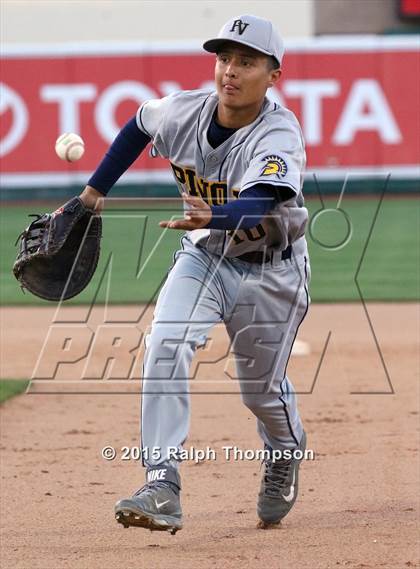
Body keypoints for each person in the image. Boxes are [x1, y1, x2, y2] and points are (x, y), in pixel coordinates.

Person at [80, 14, 310, 534]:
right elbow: (138, 124)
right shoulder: (183, 110)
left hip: (271, 273)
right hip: (204, 255)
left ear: (273, 74)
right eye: (224, 58)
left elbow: (259, 203)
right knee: (164, 343)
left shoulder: (279, 130)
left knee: (260, 393)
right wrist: (93, 194)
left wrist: (219, 214)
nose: (230, 70)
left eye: (246, 61)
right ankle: (161, 481)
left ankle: (284, 451)